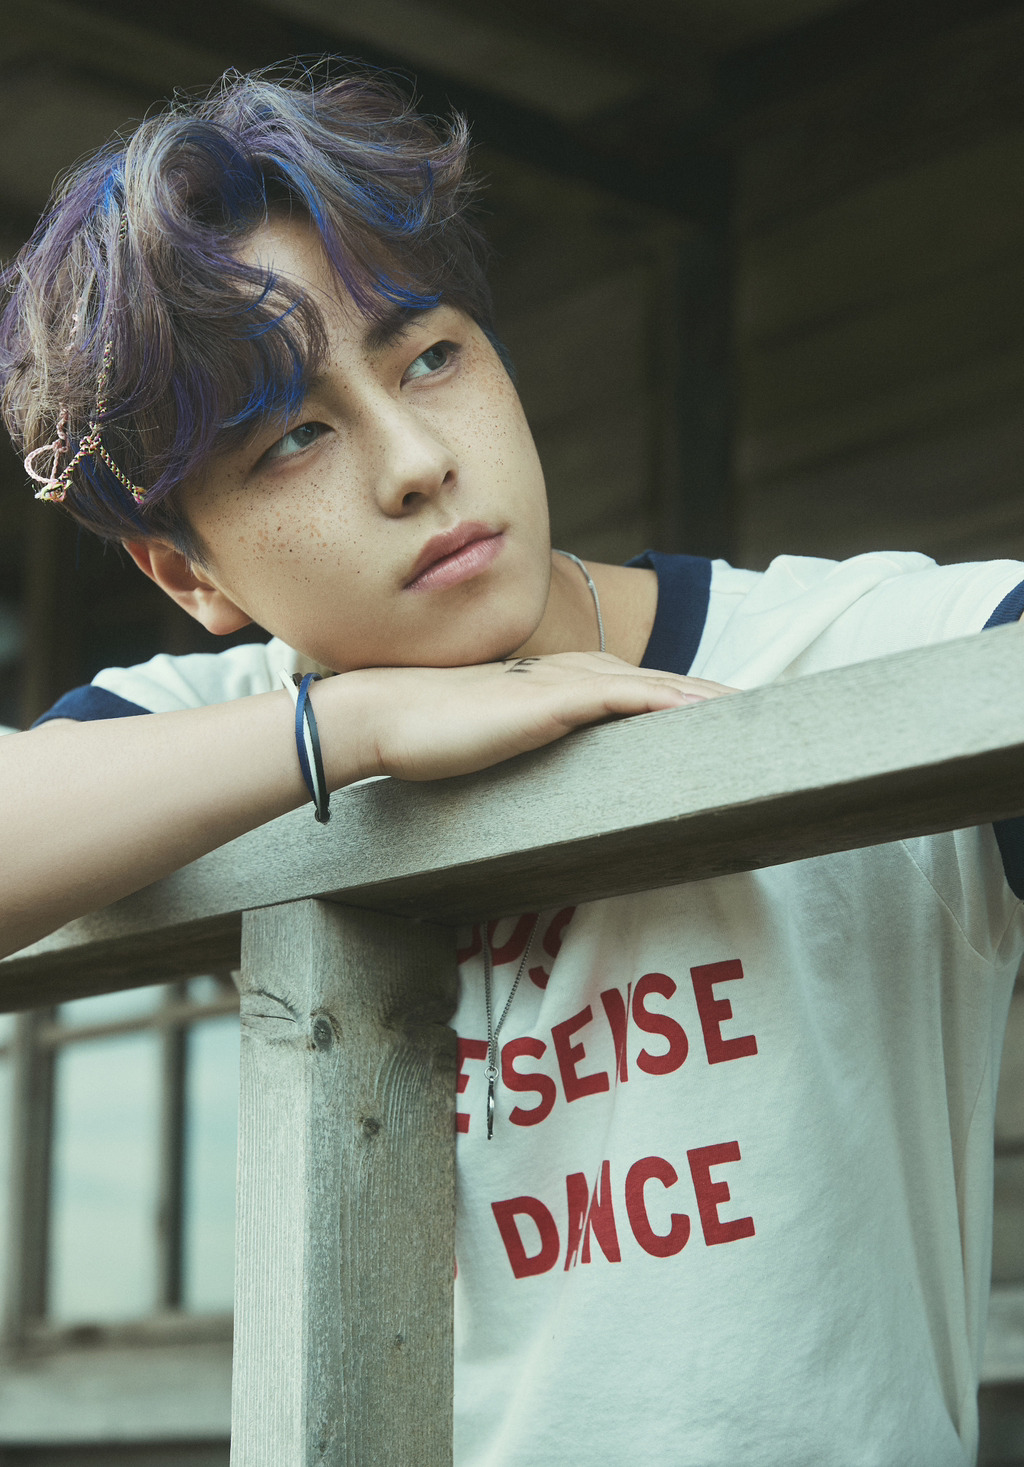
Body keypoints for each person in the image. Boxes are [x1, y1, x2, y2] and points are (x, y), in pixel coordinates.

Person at [1, 62, 1022, 1467]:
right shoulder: (221, 719)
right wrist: (346, 732)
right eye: (294, 438)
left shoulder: (850, 647)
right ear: (190, 575)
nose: (416, 461)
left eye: (430, 357)